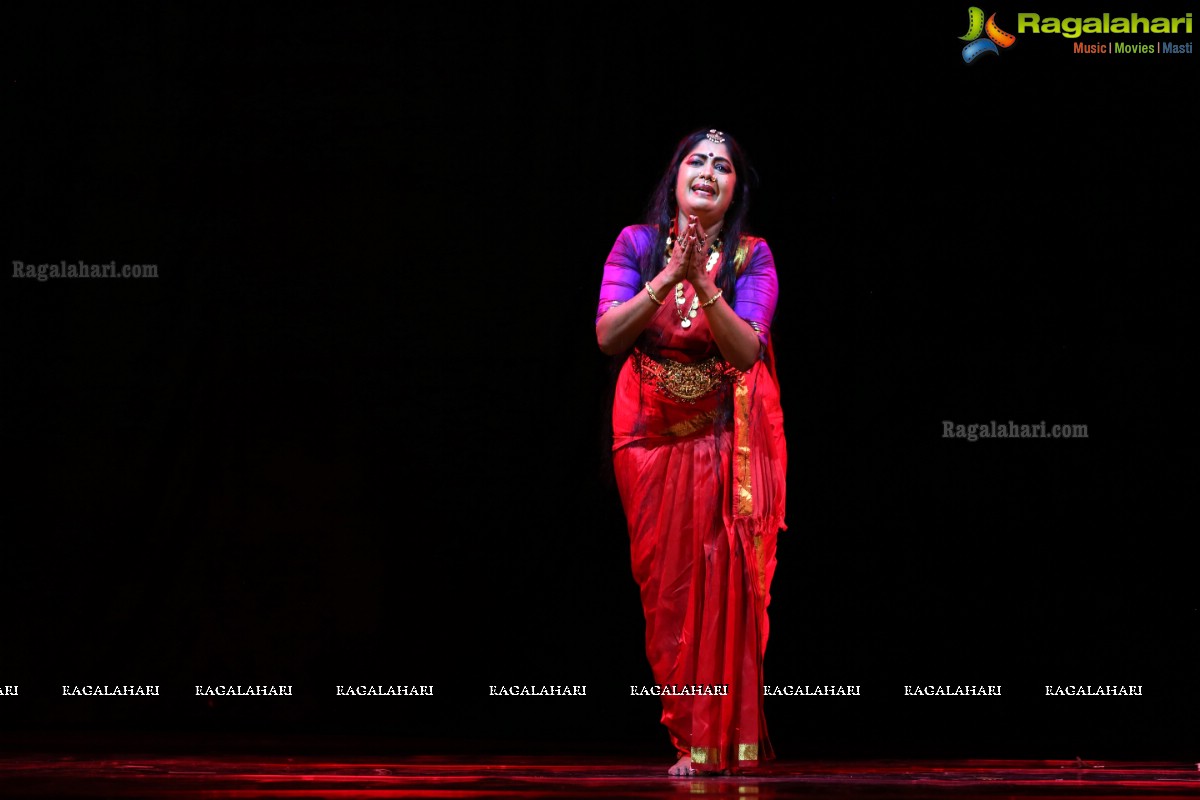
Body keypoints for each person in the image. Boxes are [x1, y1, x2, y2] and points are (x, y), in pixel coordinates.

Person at [595, 128, 788, 776]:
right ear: (675, 176)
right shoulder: (637, 244)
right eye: (696, 161)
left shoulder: (751, 258)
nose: (707, 171)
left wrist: (703, 285)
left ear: (734, 190)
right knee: (669, 591)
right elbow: (608, 336)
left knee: (719, 582)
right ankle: (687, 731)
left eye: (723, 166)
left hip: (718, 440)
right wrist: (669, 274)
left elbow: (746, 351)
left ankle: (710, 742)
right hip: (646, 440)